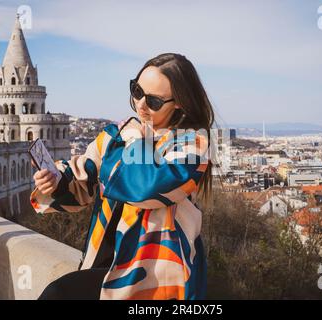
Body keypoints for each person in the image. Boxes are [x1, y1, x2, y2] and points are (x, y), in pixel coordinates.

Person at [31, 53, 215, 300]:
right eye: (137, 91)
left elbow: (148, 189)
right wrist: (54, 181)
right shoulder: (116, 135)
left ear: (179, 102)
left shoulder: (193, 145)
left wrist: (133, 139)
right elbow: (84, 174)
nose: (140, 104)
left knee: (58, 294)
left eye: (154, 101)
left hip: (155, 276)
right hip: (105, 259)